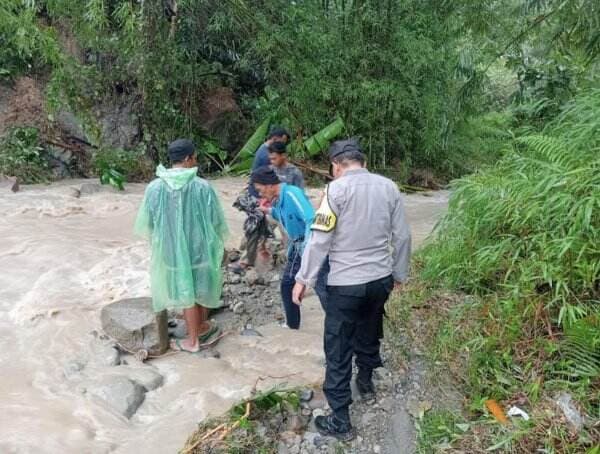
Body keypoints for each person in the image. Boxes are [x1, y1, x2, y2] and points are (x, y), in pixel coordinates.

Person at [292, 139, 411, 440]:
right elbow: (403, 237)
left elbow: (319, 240)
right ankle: (367, 381)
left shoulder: (335, 190)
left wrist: (303, 278)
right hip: (380, 279)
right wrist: (399, 273)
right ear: (363, 160)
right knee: (370, 327)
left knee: (338, 347)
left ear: (336, 166)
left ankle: (341, 420)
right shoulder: (389, 187)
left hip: (346, 284)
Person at [134, 139, 228, 353]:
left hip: (171, 251)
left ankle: (196, 333)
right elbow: (216, 221)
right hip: (200, 249)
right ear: (187, 159)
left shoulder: (155, 188)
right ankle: (195, 338)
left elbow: (146, 223)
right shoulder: (202, 186)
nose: (196, 162)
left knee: (186, 290)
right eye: (194, 158)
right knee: (200, 285)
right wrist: (218, 244)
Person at [250, 166, 314, 329]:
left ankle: (294, 324)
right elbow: (281, 214)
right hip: (297, 247)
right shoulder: (278, 200)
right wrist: (267, 210)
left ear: (269, 185)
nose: (260, 194)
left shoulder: (292, 194)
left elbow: (310, 219)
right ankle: (292, 324)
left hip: (309, 247)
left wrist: (308, 250)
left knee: (317, 286)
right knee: (288, 284)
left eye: (260, 190)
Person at [229, 127, 290, 273]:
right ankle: (292, 260)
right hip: (262, 198)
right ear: (276, 138)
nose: (284, 146)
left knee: (262, 229)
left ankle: (246, 260)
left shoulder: (265, 151)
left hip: (263, 197)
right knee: (267, 228)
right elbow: (269, 179)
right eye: (283, 142)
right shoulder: (266, 155)